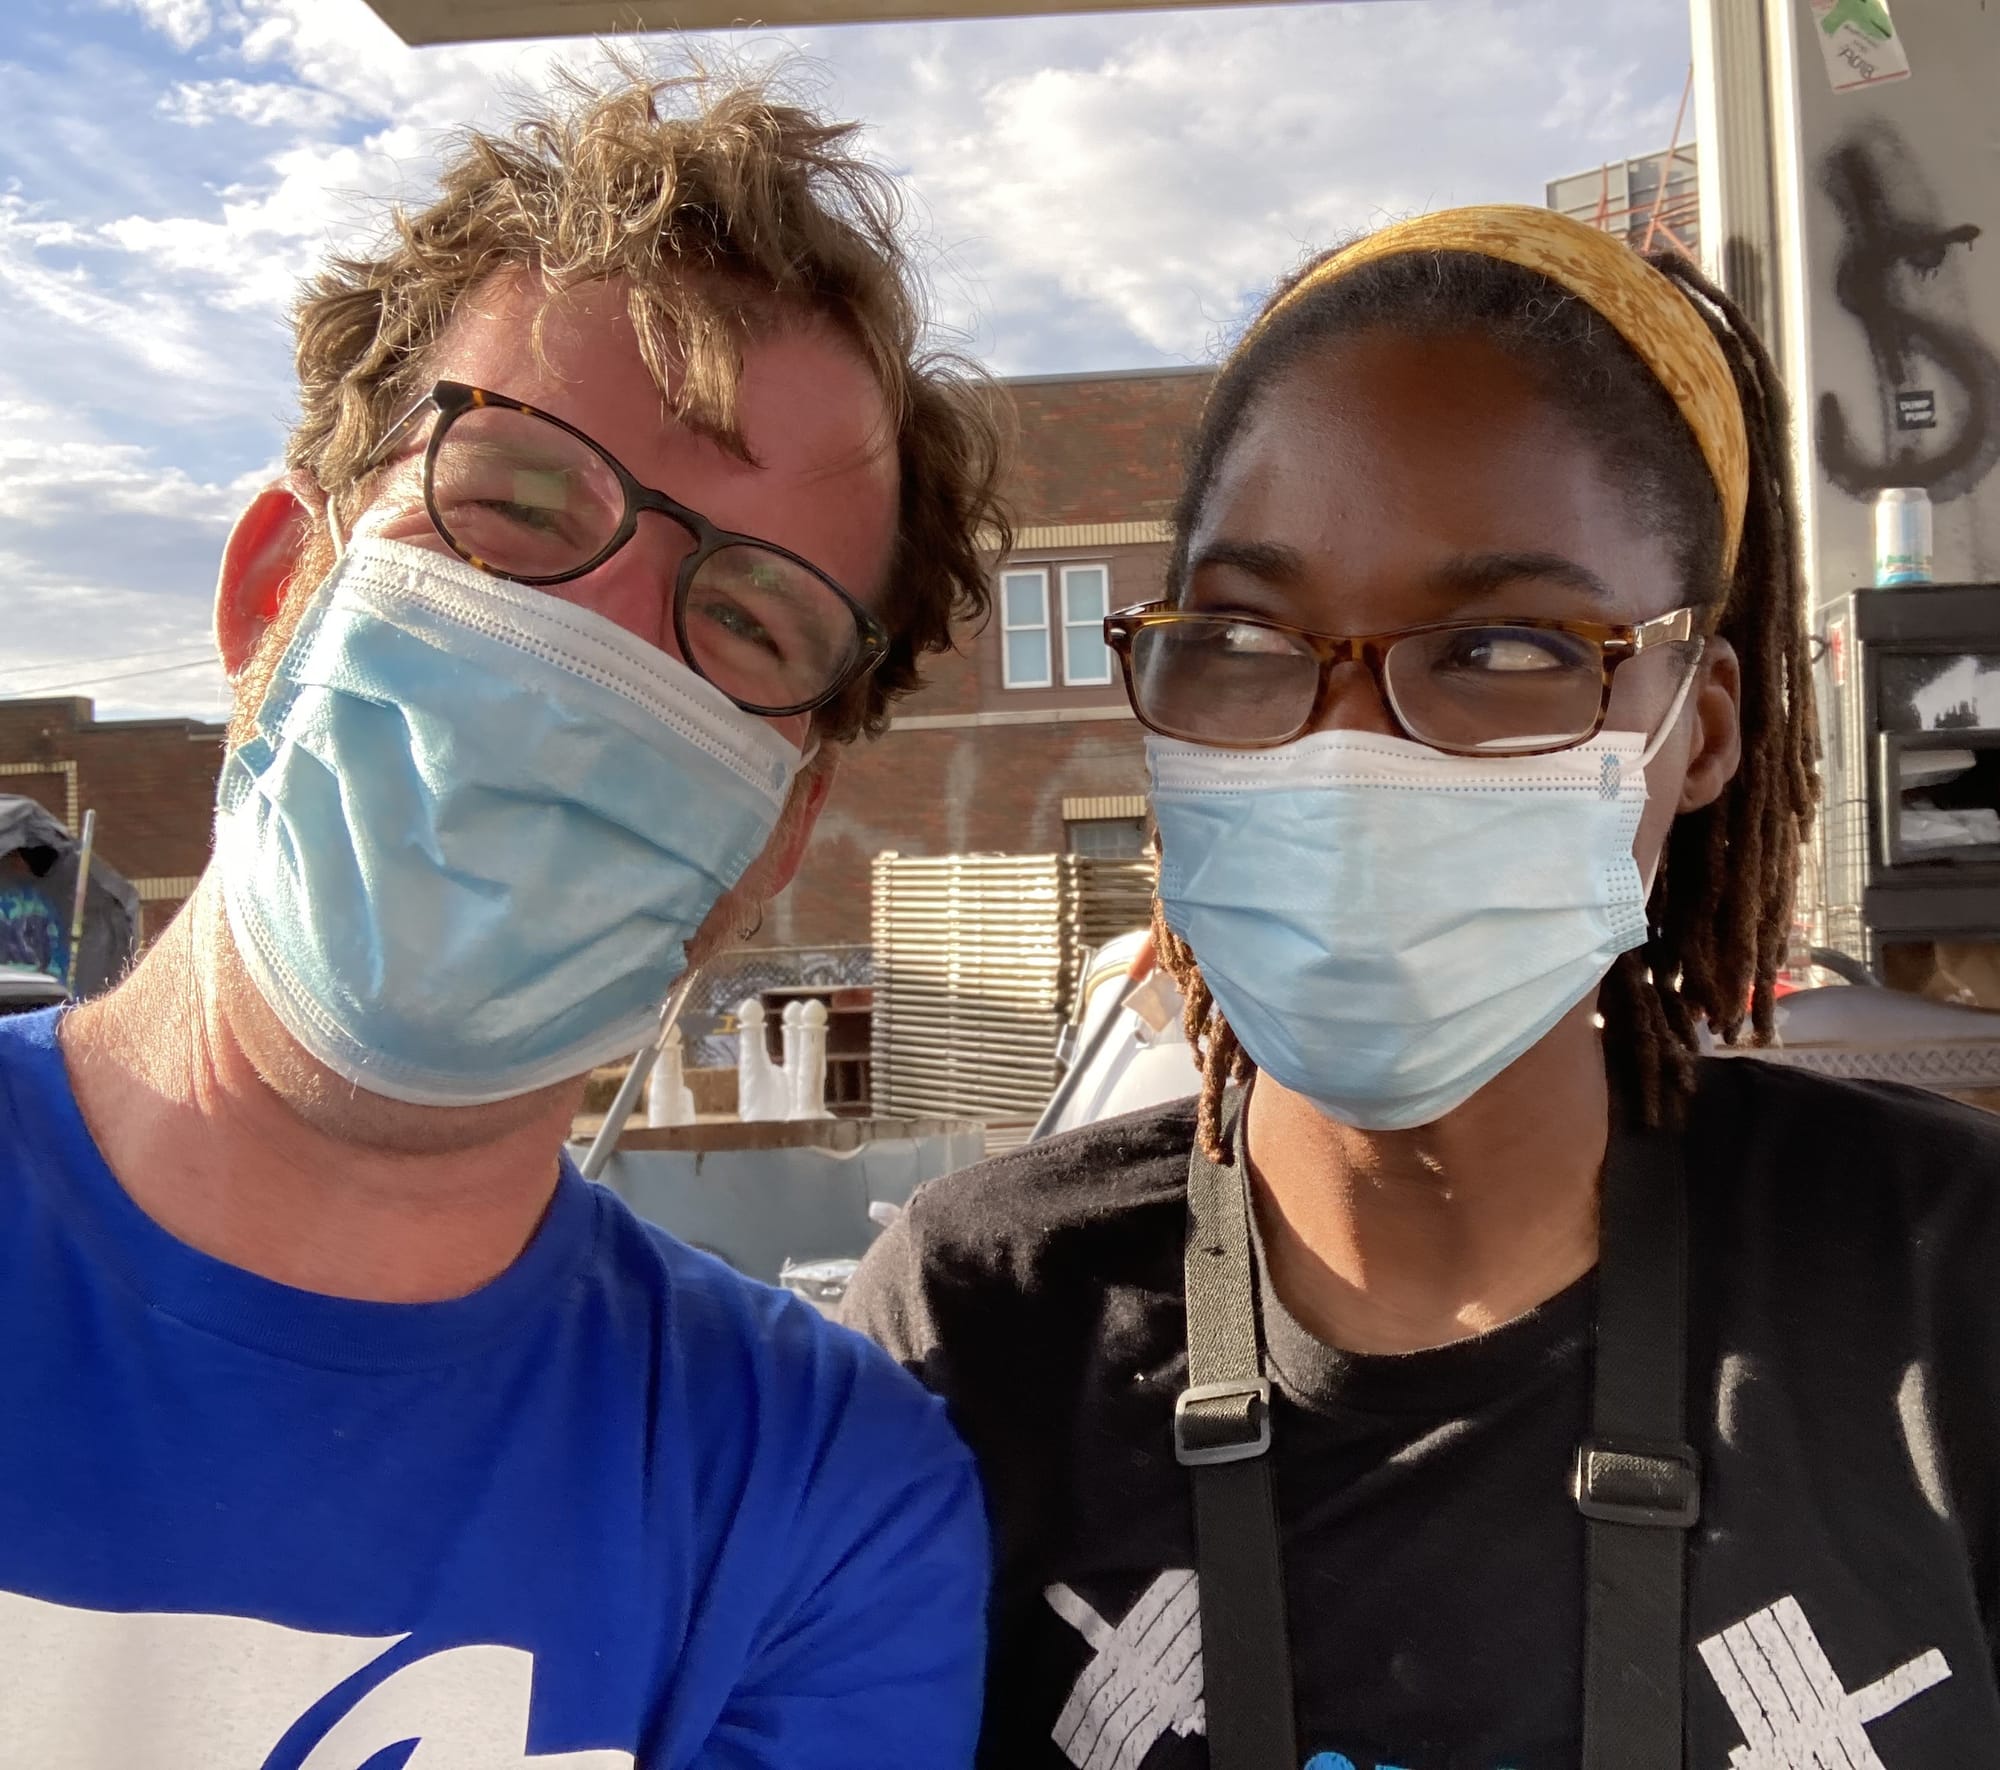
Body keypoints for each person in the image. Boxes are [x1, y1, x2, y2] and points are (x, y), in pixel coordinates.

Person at [845, 205, 2000, 1768]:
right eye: (1246, 636)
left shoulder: (1947, 1288)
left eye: (1506, 648)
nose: (1345, 745)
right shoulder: (978, 1328)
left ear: (1702, 727)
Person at [0, 68, 1008, 1767]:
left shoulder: (815, 1502)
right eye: (519, 506)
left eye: (751, 622)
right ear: (272, 590)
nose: (605, 651)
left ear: (779, 833)